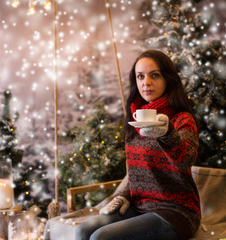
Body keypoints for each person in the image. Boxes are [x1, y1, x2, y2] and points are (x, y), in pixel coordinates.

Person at [75, 50, 201, 240]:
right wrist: (124, 195)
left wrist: (166, 133)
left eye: (155, 75)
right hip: (139, 206)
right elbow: (138, 169)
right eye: (140, 76)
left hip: (176, 212)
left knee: (101, 237)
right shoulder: (135, 120)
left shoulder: (182, 119)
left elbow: (185, 160)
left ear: (168, 79)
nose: (146, 82)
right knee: (83, 231)